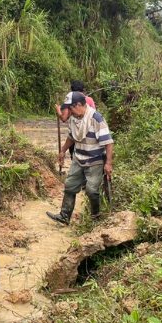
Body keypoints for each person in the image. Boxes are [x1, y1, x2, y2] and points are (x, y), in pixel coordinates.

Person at [47, 92, 113, 225]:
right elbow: (72, 136)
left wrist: (109, 163)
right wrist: (63, 151)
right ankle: (65, 215)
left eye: (70, 108)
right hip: (78, 158)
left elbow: (108, 142)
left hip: (95, 160)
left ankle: (95, 217)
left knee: (91, 190)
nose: (69, 111)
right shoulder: (74, 118)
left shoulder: (96, 118)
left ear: (78, 105)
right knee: (70, 186)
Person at [54, 80, 96, 159]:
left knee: (75, 157)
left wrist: (58, 111)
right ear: (83, 90)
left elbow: (64, 118)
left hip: (75, 134)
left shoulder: (70, 100)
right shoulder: (89, 100)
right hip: (89, 136)